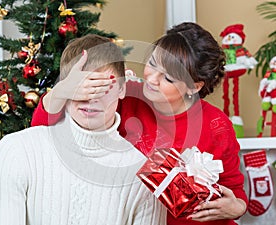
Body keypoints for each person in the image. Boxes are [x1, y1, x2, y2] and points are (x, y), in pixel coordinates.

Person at [31, 23, 248, 225]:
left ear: (194, 87)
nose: (152, 79)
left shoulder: (217, 124)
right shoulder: (126, 96)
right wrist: (63, 89)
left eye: (168, 78)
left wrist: (237, 207)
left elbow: (235, 191)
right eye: (152, 64)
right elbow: (43, 131)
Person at [0, 34, 167, 225]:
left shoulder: (141, 175)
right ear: (65, 88)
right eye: (82, 86)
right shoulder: (17, 151)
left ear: (122, 89)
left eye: (102, 86)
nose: (91, 98)